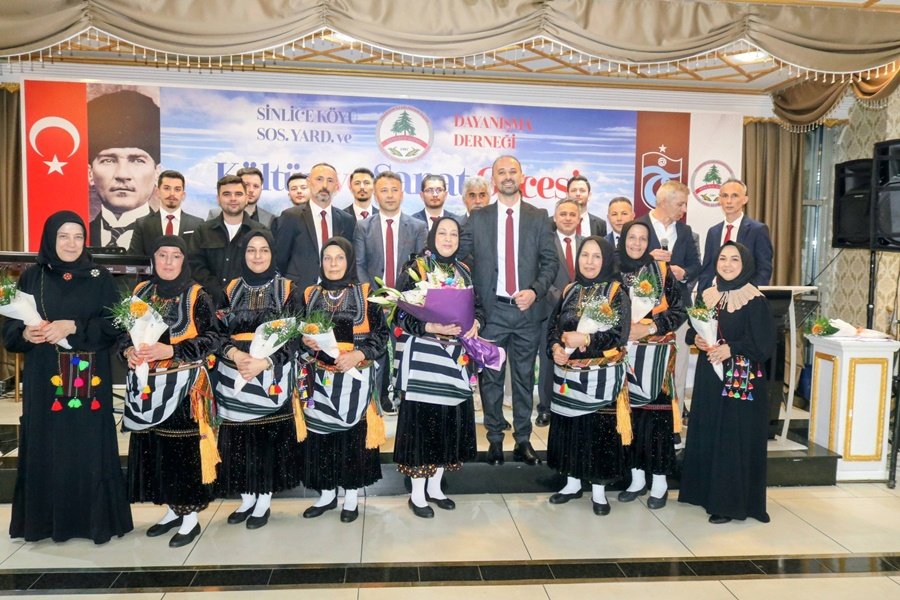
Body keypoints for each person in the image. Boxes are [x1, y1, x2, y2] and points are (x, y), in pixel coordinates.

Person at [2, 211, 133, 544]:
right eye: (63, 236)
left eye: (78, 237)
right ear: (50, 239)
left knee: (86, 444)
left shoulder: (100, 277)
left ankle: (93, 523)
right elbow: (10, 332)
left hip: (87, 376)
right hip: (43, 377)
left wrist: (73, 326)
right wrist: (26, 334)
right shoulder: (32, 277)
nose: (71, 244)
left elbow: (116, 324)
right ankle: (44, 524)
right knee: (46, 442)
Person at [458, 155, 559, 467]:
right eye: (501, 172)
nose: (507, 176)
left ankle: (523, 440)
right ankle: (494, 440)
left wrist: (535, 291)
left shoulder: (538, 216)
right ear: (493, 180)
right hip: (492, 313)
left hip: (527, 312)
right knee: (491, 379)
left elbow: (550, 262)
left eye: (512, 171)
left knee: (524, 378)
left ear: (522, 176)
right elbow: (458, 255)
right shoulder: (479, 218)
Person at [122, 236, 221, 547]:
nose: (168, 262)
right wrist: (128, 351)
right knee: (155, 449)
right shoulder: (141, 292)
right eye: (162, 255)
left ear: (184, 260)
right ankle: (171, 510)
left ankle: (189, 518)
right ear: (153, 259)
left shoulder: (197, 295)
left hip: (184, 388)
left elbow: (213, 338)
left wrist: (173, 349)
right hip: (147, 385)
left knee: (182, 452)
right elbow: (124, 334)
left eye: (175, 256)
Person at [392, 217, 483, 518]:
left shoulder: (464, 271)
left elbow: (478, 307)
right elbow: (398, 313)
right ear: (432, 237)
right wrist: (428, 325)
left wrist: (476, 323)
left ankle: (436, 487)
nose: (447, 238)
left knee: (447, 421)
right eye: (442, 233)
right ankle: (417, 494)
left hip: (455, 359)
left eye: (453, 234)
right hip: (424, 358)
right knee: (423, 424)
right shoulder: (416, 269)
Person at [679, 241, 775, 524]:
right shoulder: (708, 294)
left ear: (745, 264)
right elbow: (693, 330)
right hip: (710, 376)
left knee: (732, 437)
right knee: (710, 430)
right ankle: (703, 493)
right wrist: (696, 339)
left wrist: (732, 349)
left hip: (740, 378)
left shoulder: (754, 299)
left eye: (735, 259)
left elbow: (764, 345)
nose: (727, 264)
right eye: (723, 258)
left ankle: (728, 503)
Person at [213, 230, 303, 530]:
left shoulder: (288, 289)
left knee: (265, 441)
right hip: (234, 371)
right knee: (239, 441)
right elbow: (216, 334)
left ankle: (263, 499)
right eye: (251, 250)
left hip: (270, 373)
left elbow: (295, 337)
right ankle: (246, 497)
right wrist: (235, 356)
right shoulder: (229, 289)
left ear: (272, 253)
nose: (257, 256)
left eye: (264, 250)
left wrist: (265, 362)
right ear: (243, 254)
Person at [298, 237, 388, 523]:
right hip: (319, 381)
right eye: (328, 258)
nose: (333, 264)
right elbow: (298, 336)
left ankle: (351, 496)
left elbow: (381, 335)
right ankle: (326, 494)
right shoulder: (309, 294)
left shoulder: (366, 293)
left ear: (349, 262)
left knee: (352, 439)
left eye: (339, 258)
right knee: (321, 437)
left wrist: (359, 354)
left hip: (355, 380)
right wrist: (305, 342)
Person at [545, 236, 630, 516]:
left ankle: (598, 491)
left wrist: (585, 340)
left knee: (597, 433)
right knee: (571, 430)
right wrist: (555, 348)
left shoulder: (616, 292)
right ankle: (571, 484)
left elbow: (619, 335)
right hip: (568, 378)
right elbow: (554, 327)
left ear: (605, 260)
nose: (589, 262)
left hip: (600, 379)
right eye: (585, 255)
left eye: (596, 256)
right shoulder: (570, 289)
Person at [615, 221, 687, 509]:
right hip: (622, 357)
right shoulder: (612, 271)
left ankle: (659, 482)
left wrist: (650, 327)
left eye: (643, 238)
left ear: (650, 242)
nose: (636, 243)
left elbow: (679, 311)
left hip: (656, 358)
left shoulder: (660, 271)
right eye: (631, 237)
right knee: (630, 419)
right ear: (623, 240)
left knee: (656, 420)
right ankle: (636, 479)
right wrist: (623, 330)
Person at [354, 171, 427, 413]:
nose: (389, 195)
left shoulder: (418, 227)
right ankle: (378, 399)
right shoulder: (363, 226)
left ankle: (403, 397)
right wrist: (377, 299)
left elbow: (420, 267)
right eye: (384, 190)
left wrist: (400, 299)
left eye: (394, 190)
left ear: (402, 194)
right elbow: (359, 265)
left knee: (403, 350)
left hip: (406, 302)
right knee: (378, 351)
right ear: (376, 194)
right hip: (373, 301)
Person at [87, 89, 160, 248]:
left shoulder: (167, 236)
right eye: (108, 160)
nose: (122, 174)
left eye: (137, 161)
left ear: (157, 173)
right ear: (90, 174)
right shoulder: (81, 237)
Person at [273, 163, 356, 291]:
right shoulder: (290, 217)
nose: (324, 185)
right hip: (298, 294)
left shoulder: (347, 220)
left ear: (336, 186)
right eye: (319, 179)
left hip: (336, 294)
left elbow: (350, 262)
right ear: (308, 182)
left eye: (330, 181)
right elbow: (279, 260)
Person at [535, 198, 581, 427]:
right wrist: (562, 298)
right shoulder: (545, 242)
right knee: (548, 360)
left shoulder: (588, 244)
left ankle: (573, 402)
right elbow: (538, 273)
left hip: (582, 315)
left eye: (572, 214)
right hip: (549, 310)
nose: (568, 218)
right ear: (555, 217)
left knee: (577, 358)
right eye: (563, 214)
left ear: (579, 218)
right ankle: (545, 407)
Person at [188, 175, 265, 307]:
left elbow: (264, 269)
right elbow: (195, 267)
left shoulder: (260, 232)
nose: (233, 198)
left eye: (238, 194)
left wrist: (237, 293)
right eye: (227, 194)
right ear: (218, 199)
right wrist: (217, 292)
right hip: (207, 304)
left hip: (247, 306)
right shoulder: (203, 231)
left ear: (246, 198)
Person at [698, 179, 774, 291]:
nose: (729, 201)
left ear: (744, 200)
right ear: (719, 199)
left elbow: (764, 269)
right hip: (715, 294)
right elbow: (707, 270)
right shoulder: (713, 232)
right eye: (725, 196)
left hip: (746, 295)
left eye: (734, 196)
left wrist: (750, 294)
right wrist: (702, 297)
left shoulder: (757, 230)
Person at [129, 170, 204, 255]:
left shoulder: (197, 224)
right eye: (167, 188)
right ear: (158, 192)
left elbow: (200, 258)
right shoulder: (142, 224)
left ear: (183, 195)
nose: (172, 193)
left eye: (177, 189)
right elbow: (135, 259)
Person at [209, 167, 275, 228]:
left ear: (261, 189)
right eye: (246, 185)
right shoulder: (215, 214)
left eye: (256, 186)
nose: (251, 190)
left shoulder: (270, 219)